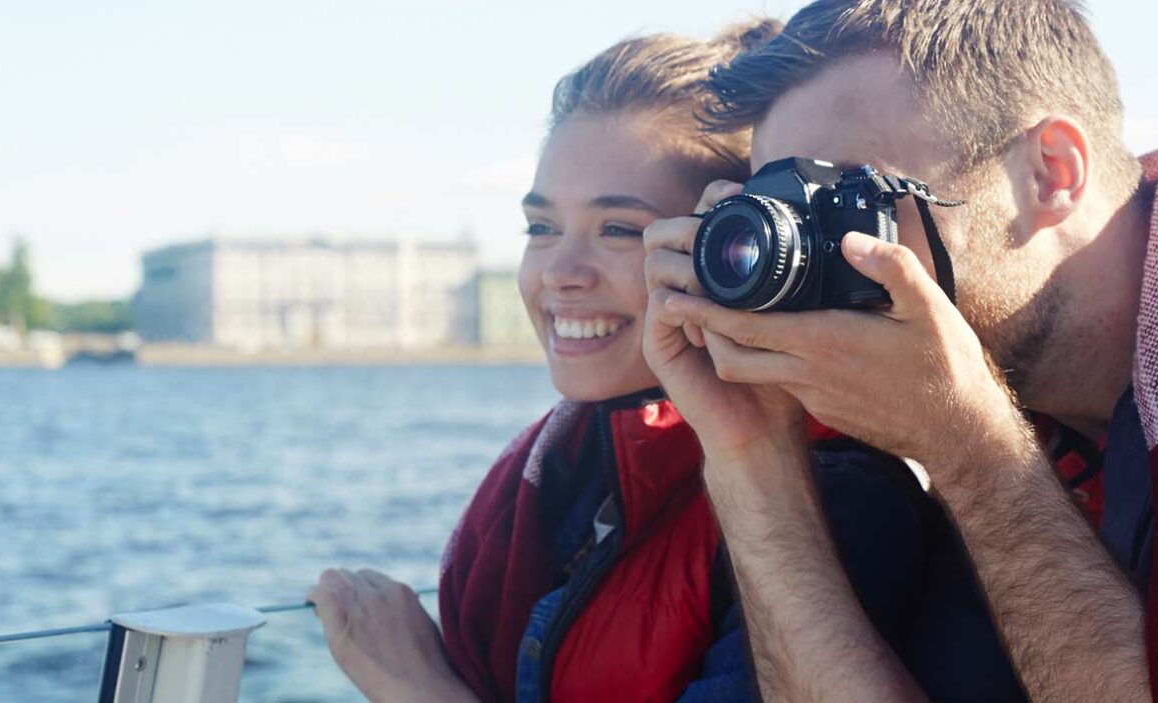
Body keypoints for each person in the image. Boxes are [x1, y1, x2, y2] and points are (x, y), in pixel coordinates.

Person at [643, 1, 1158, 701]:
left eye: (852, 199)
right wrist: (752, 453)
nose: (819, 258)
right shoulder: (1012, 386)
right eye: (788, 212)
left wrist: (973, 451)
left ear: (1051, 173)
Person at [308, 20, 1021, 703]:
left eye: (619, 229)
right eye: (541, 227)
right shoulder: (563, 470)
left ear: (733, 248)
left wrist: (416, 688)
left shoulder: (837, 497)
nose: (561, 272)